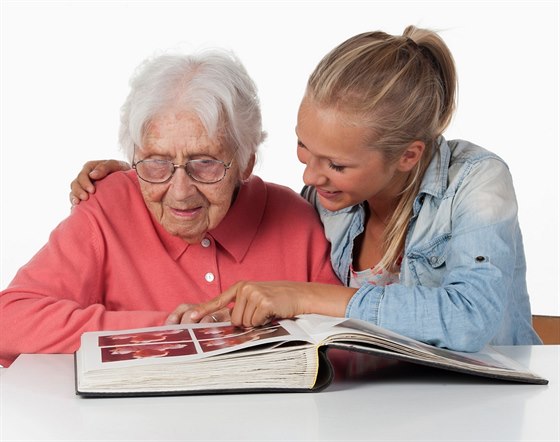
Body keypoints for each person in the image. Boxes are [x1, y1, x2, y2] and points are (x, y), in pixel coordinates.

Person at [68, 26, 542, 352]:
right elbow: (232, 183)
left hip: (493, 403)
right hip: (387, 406)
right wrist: (148, 172)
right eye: (303, 148)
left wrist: (305, 296)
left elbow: (470, 318)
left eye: (335, 164)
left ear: (408, 156)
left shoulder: (478, 182)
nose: (310, 177)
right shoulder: (327, 202)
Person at [0, 50, 341, 367]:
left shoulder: (296, 220)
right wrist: (167, 330)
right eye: (156, 163)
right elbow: (9, 321)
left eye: (205, 163)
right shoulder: (108, 205)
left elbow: (350, 346)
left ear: (245, 163)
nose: (179, 192)